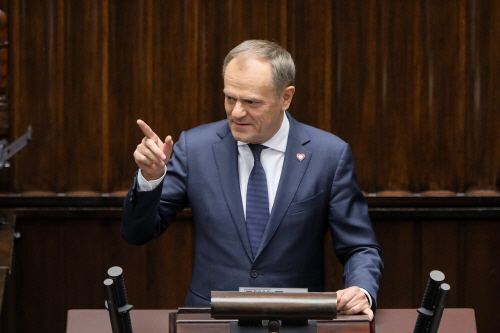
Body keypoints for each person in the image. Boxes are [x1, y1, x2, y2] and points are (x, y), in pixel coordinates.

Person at [122, 39, 383, 320]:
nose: (236, 112)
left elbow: (360, 246)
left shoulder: (328, 155)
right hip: (211, 321)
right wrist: (150, 178)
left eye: (251, 102)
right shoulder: (195, 148)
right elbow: (138, 233)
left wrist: (361, 289)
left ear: (286, 97)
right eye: (230, 98)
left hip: (296, 322)